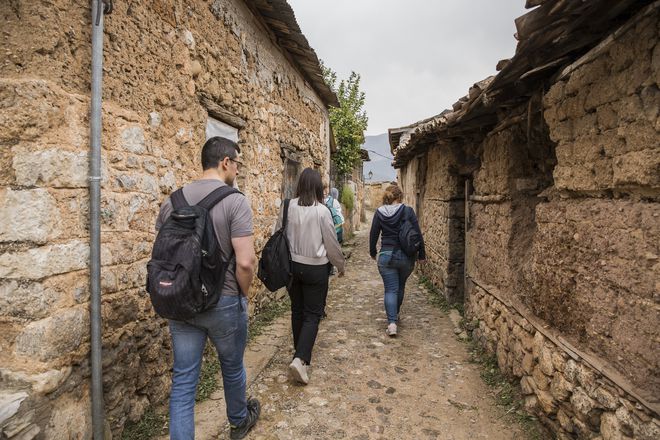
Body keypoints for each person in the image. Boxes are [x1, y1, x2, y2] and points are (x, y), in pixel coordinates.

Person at [155, 136, 259, 440]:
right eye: (237, 163)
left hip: (181, 301)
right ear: (225, 162)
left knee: (185, 381)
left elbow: (164, 254)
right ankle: (239, 421)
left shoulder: (171, 202)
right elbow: (246, 262)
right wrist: (243, 293)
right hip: (223, 300)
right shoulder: (235, 201)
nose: (238, 170)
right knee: (232, 366)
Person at [275, 168, 345, 385]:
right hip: (316, 269)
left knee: (297, 310)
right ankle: (300, 358)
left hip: (292, 268)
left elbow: (277, 234)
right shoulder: (322, 211)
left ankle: (299, 355)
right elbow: (331, 243)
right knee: (313, 314)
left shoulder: (287, 206)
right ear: (316, 187)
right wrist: (340, 265)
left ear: (299, 184)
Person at [369, 183, 426, 337]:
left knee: (390, 289)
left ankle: (392, 323)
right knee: (400, 287)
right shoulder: (407, 211)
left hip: (386, 256)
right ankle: (395, 314)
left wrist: (373, 252)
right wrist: (421, 255)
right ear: (400, 197)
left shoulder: (379, 212)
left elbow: (373, 234)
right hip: (406, 257)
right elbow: (417, 233)